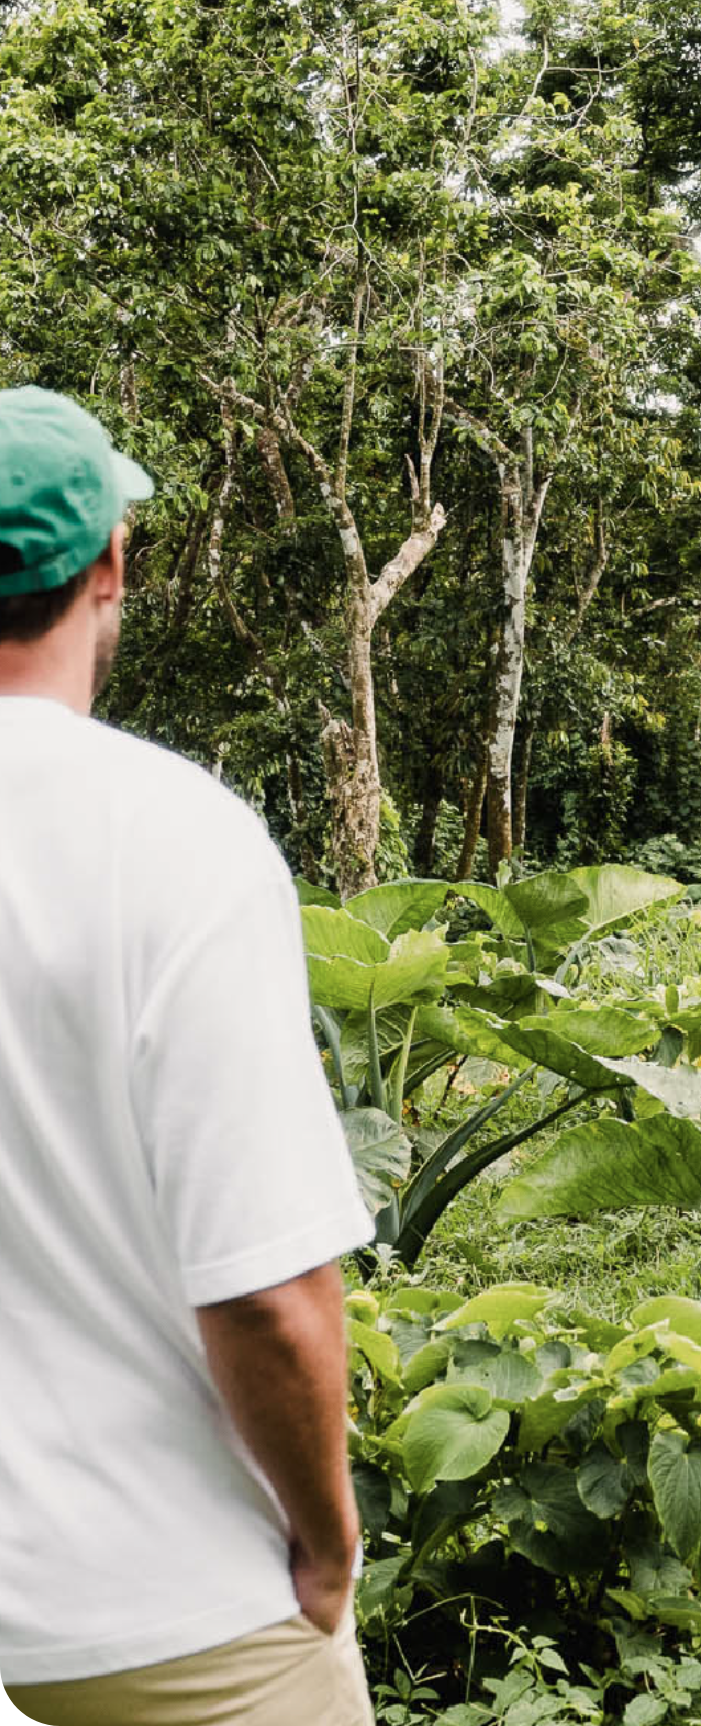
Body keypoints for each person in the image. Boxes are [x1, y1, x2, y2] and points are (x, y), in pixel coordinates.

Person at [0, 387, 376, 1726]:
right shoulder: (171, 837)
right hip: (163, 1610)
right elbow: (265, 1293)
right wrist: (327, 1546)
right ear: (107, 564)